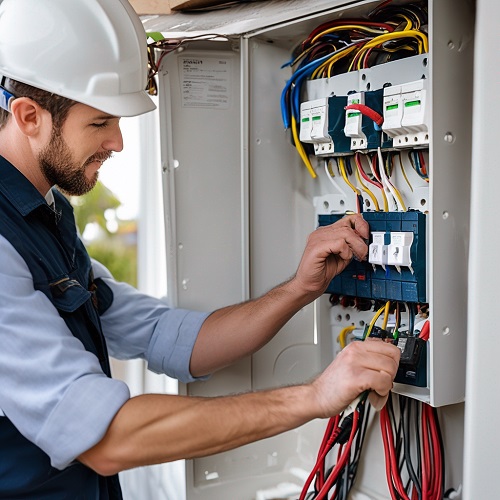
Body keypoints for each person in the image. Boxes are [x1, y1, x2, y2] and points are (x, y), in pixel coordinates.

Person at [0, 0, 401, 498]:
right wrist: (314, 397)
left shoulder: (46, 218)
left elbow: (170, 337)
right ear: (29, 116)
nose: (118, 142)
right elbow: (106, 439)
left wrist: (302, 287)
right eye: (100, 122)